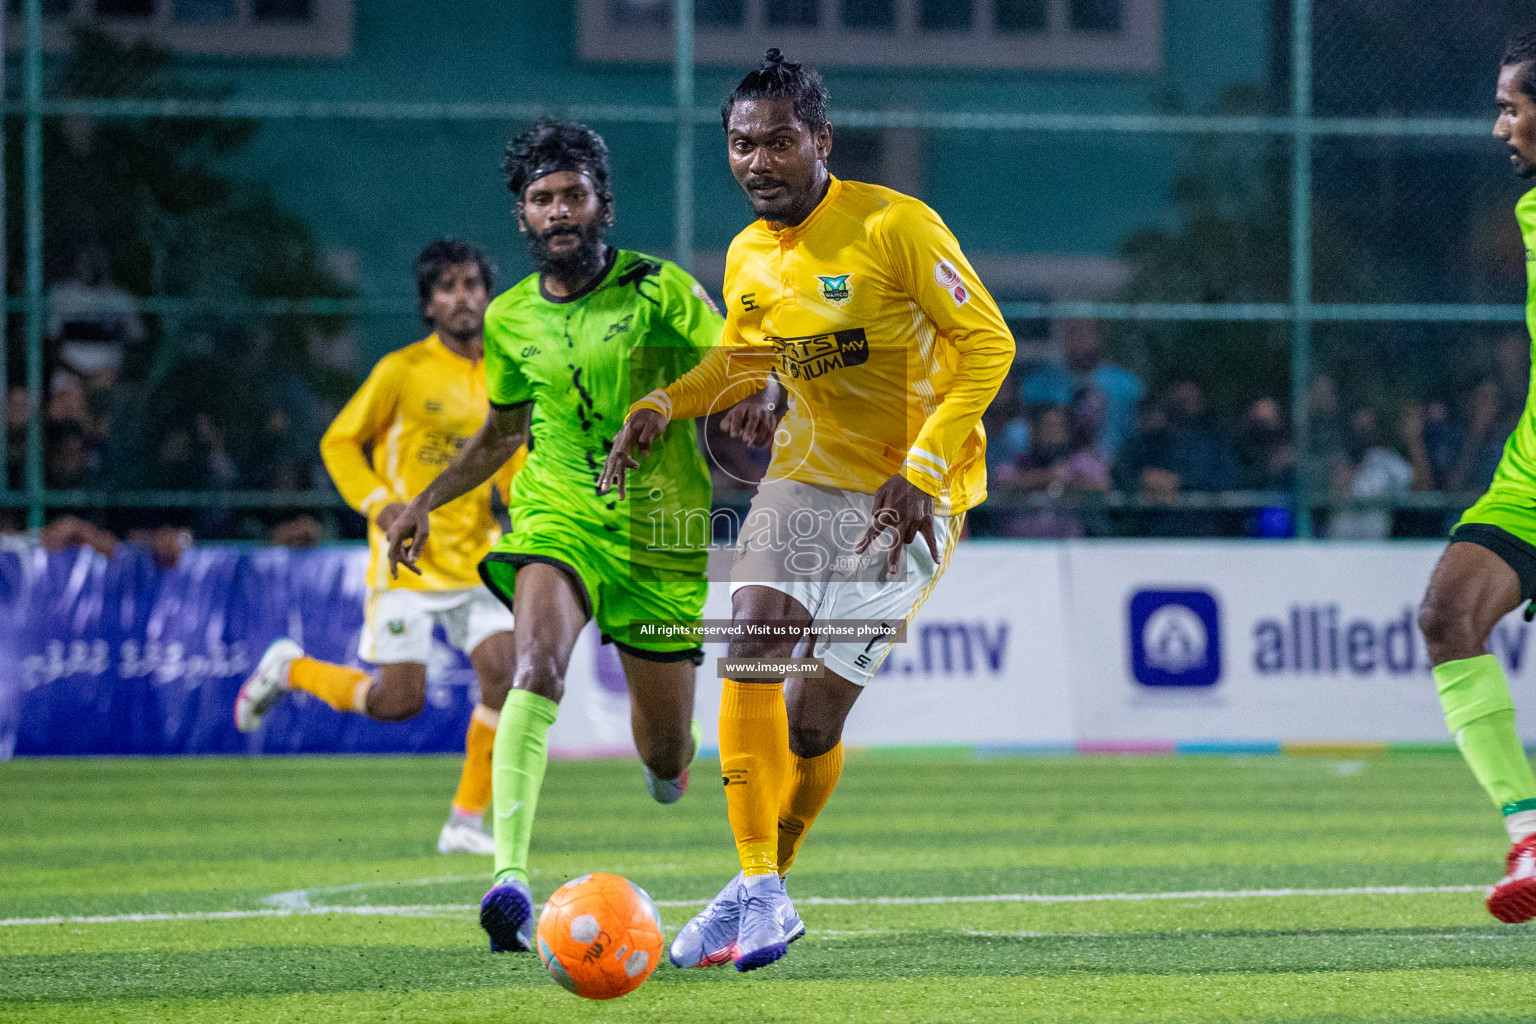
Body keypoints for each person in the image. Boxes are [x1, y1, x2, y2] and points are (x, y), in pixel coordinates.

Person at [600, 50, 1015, 972]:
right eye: (742, 145)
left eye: (779, 141)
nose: (759, 161)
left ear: (820, 141)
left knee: (812, 725)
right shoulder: (748, 253)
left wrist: (924, 463)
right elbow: (742, 364)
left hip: (907, 498)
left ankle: (760, 885)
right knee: (746, 643)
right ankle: (759, 888)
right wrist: (665, 404)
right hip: (803, 478)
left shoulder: (893, 225)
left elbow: (989, 344)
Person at [385, 120, 769, 954]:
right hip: (558, 516)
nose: (559, 210)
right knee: (535, 667)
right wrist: (424, 500)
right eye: (541, 198)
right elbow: (501, 433)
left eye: (573, 195)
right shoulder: (511, 317)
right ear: (523, 218)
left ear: (602, 205)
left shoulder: (661, 291)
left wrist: (755, 405)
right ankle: (509, 881)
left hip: (658, 538)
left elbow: (742, 368)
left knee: (666, 752)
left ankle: (666, 767)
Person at [234, 239, 524, 857]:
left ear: (488, 294)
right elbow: (339, 443)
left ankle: (465, 821)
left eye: (472, 284)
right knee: (398, 703)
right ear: (427, 305)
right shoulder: (400, 371)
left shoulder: (505, 372)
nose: (463, 297)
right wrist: (380, 505)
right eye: (447, 288)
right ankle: (290, 668)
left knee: (504, 672)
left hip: (476, 558)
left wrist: (528, 506)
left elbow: (506, 465)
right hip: (406, 562)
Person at [1418, 29, 1536, 924]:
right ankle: (1530, 831)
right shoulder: (1530, 212)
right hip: (1530, 475)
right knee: (1445, 614)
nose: (1500, 125)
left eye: (1511, 106)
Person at [1020, 318, 1142, 464]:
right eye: (1073, 332)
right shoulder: (1039, 385)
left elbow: (1134, 434)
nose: (1080, 339)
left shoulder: (1126, 385)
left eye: (1087, 332)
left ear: (1099, 337)